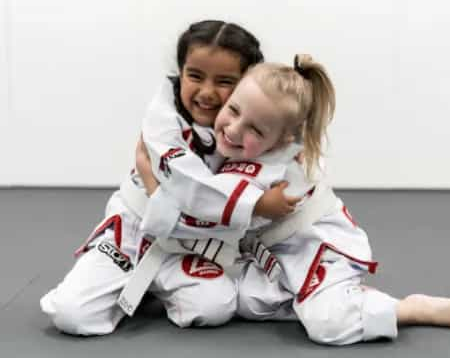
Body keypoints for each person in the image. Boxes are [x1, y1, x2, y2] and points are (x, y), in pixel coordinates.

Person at [137, 54, 450, 346]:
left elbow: (202, 212)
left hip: (318, 254)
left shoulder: (269, 173)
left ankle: (405, 309)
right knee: (241, 301)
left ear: (284, 137)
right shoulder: (251, 151)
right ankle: (344, 300)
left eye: (255, 130)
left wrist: (151, 179)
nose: (235, 129)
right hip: (278, 257)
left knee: (325, 325)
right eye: (234, 109)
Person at [40, 20, 293, 336]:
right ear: (181, 71)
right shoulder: (163, 121)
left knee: (213, 308)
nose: (207, 92)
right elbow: (191, 189)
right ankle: (127, 279)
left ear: (247, 83)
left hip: (193, 247)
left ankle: (151, 287)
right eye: (195, 76)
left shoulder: (255, 125)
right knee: (71, 315)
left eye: (225, 81)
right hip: (134, 234)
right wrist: (254, 204)